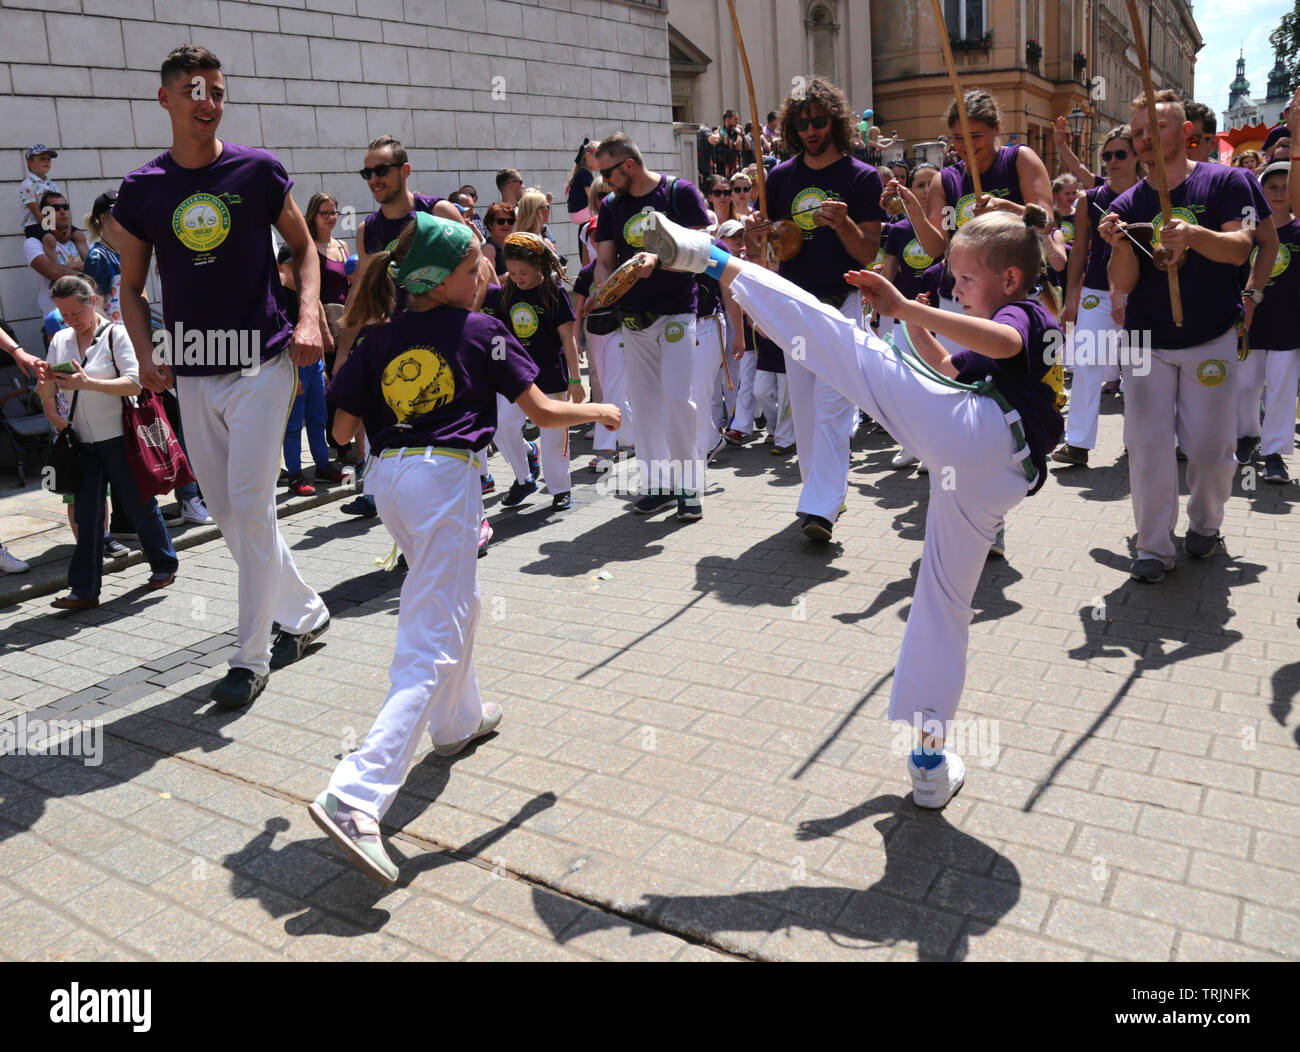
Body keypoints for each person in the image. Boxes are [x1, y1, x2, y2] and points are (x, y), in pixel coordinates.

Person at [643, 203, 1062, 808]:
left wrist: (906, 310)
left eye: (967, 280)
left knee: (843, 345)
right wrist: (916, 328)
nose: (958, 292)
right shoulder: (1011, 321)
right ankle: (928, 762)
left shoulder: (1029, 315)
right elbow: (948, 367)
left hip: (983, 435)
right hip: (991, 469)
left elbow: (1004, 339)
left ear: (1012, 279)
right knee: (942, 604)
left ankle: (712, 259)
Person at [311, 213, 620, 883]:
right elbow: (540, 413)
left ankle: (458, 721)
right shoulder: (482, 330)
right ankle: (357, 794)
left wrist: (356, 356)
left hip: (388, 480)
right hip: (443, 479)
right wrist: (598, 410)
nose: (484, 272)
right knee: (433, 636)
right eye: (474, 263)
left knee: (455, 598)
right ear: (445, 278)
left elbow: (340, 432)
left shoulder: (376, 337)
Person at [113, 44, 330, 707]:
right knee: (234, 516)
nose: (207, 101)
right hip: (192, 376)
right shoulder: (142, 189)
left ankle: (251, 653)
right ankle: (307, 611)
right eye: (192, 90)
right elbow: (128, 285)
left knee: (252, 507)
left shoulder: (258, 171)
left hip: (262, 362)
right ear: (166, 100)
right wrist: (145, 350)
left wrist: (309, 315)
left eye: (216, 90)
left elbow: (305, 247)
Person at [1099, 89, 1271, 583]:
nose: (1146, 139)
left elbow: (1241, 248)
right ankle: (1153, 547)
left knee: (1212, 449)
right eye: (1137, 133)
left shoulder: (1226, 182)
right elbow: (1125, 283)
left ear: (1186, 133)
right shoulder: (1129, 201)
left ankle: (1206, 522)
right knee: (1147, 446)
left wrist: (1194, 237)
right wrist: (1119, 245)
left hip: (1210, 336)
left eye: (1157, 128)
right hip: (1147, 341)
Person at [760, 76, 885, 542]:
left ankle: (821, 508)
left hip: (842, 304)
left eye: (819, 121)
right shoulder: (779, 177)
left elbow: (868, 252)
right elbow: (778, 249)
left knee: (834, 408)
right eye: (803, 123)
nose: (811, 130)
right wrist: (764, 237)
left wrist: (845, 223)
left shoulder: (862, 178)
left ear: (835, 121)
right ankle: (822, 493)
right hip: (795, 307)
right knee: (808, 414)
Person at [36, 276, 179, 609]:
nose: (70, 321)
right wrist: (45, 384)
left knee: (138, 505)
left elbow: (133, 384)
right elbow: (50, 393)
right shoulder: (59, 339)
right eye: (63, 314)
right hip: (81, 443)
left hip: (120, 438)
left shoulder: (117, 334)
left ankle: (163, 564)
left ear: (92, 302)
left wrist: (86, 382)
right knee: (87, 516)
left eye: (75, 313)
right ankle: (84, 590)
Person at [593, 131, 711, 520]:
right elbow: (606, 257)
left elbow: (703, 246)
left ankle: (689, 487)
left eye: (607, 173)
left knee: (679, 398)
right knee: (644, 405)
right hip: (633, 317)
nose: (604, 182)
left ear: (628, 165)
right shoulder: (611, 204)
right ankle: (658, 484)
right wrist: (605, 286)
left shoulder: (680, 192)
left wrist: (658, 262)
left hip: (677, 310)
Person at [1053, 125, 1143, 468]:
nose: (1113, 161)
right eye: (1107, 155)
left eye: (1121, 154)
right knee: (1088, 365)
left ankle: (1139, 441)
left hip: (1139, 292)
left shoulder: (1150, 194)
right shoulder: (1092, 199)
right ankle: (1077, 443)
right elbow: (1078, 253)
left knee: (1139, 369)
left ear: (1136, 156)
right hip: (1095, 291)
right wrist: (1071, 296)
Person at [482, 233, 580, 509]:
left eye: (522, 272)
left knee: (554, 436)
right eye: (511, 272)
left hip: (550, 375)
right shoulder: (508, 291)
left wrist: (575, 379)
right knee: (502, 425)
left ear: (539, 265)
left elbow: (567, 337)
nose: (516, 277)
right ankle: (524, 476)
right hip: (516, 375)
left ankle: (560, 489)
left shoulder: (554, 292)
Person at [1235, 161, 1299, 483]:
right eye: (1271, 187)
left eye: (1285, 187)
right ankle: (1246, 436)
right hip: (1250, 323)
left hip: (1288, 325)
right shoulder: (1249, 231)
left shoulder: (1299, 230)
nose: (1278, 194)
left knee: (1281, 391)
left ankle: (1274, 454)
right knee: (1245, 387)